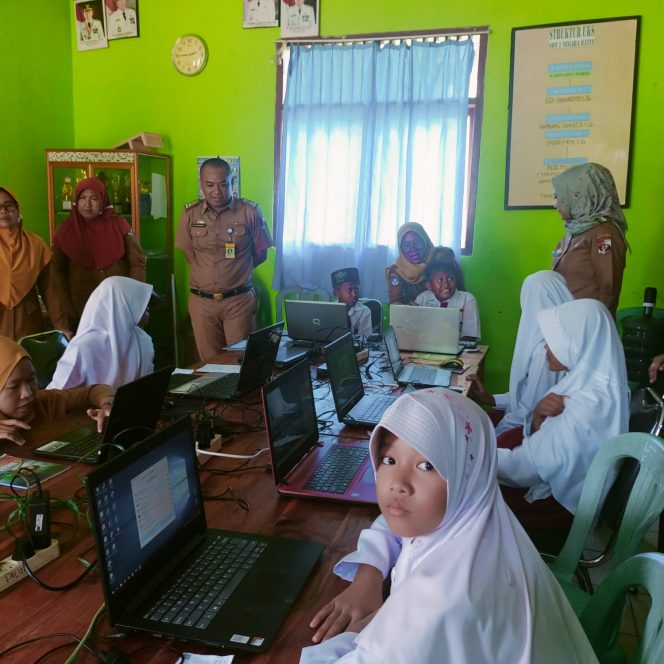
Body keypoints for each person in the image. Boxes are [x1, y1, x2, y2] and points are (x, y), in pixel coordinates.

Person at [302, 389, 597, 663]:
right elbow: (393, 522)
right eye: (389, 459)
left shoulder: (436, 603)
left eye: (427, 466)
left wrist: (368, 631)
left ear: (466, 477)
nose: (398, 484)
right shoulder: (477, 519)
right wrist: (369, 576)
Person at [496, 299, 629, 528]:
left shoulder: (586, 404)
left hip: (556, 509)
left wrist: (475, 455)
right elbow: (548, 447)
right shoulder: (593, 383)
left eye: (553, 341)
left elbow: (524, 470)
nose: (546, 348)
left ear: (576, 343)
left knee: (468, 493)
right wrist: (538, 416)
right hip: (567, 492)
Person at [176, 158, 273, 361]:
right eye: (209, 185)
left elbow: (261, 254)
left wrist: (234, 271)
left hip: (238, 301)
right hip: (202, 303)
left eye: (223, 184)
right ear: (201, 183)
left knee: (240, 362)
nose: (216, 191)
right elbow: (190, 255)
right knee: (210, 365)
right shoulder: (190, 214)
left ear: (232, 183)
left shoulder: (250, 212)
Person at [467, 270, 573, 435]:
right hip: (528, 423)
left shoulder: (544, 352)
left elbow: (528, 412)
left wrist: (493, 437)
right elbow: (525, 394)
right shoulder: (564, 340)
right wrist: (490, 399)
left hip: (529, 432)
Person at [50, 177, 146, 339]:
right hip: (81, 308)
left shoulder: (119, 225)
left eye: (94, 198)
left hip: (119, 307)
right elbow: (56, 273)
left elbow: (137, 263)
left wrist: (137, 303)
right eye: (82, 198)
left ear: (103, 201)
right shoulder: (65, 231)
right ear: (76, 201)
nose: (87, 204)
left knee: (121, 356)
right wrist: (64, 312)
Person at [0, 335, 114, 447]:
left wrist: (108, 404)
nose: (27, 393)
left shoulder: (45, 402)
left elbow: (93, 392)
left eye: (31, 379)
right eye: (14, 386)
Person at [48, 276, 153, 390]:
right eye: (138, 300)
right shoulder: (83, 347)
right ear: (119, 304)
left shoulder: (144, 340)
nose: (147, 306)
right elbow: (57, 394)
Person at [551, 162, 628, 316]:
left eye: (559, 197)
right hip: (566, 321)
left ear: (580, 194)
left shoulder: (604, 234)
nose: (555, 204)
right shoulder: (575, 232)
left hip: (587, 325)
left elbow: (608, 288)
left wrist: (594, 327)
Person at [0, 187, 58, 340]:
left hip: (28, 323)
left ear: (18, 210)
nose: (3, 211)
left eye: (9, 205)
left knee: (26, 362)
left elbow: (51, 291)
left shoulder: (35, 245)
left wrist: (61, 326)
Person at [386, 222, 464, 305]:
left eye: (416, 243)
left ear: (425, 241)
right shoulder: (397, 271)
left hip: (447, 310)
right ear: (401, 249)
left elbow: (459, 292)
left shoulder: (441, 258)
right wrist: (407, 308)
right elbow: (395, 302)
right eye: (406, 245)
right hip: (412, 315)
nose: (413, 249)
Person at [414, 258, 480, 338]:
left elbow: (470, 335)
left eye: (450, 278)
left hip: (457, 347)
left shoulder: (466, 299)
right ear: (429, 286)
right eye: (439, 280)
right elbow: (415, 331)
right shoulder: (422, 299)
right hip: (426, 345)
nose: (446, 284)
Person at [331, 267, 372, 338]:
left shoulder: (364, 311)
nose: (354, 294)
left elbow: (365, 341)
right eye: (349, 290)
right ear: (336, 293)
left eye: (356, 289)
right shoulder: (330, 310)